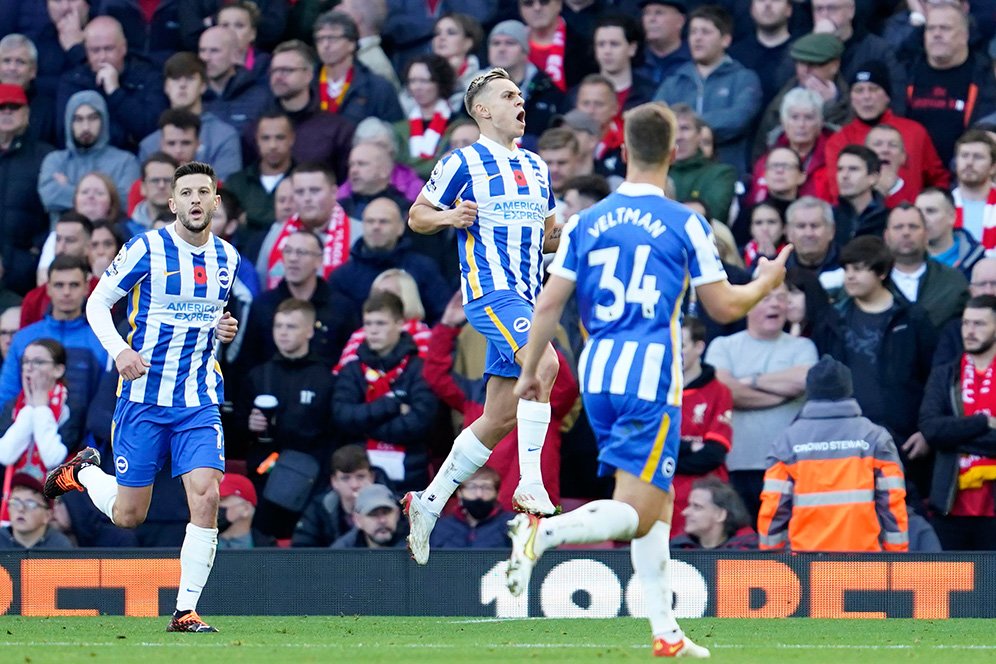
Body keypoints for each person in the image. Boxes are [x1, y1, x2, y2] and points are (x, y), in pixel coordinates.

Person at [506, 101, 793, 658]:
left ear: (622, 149)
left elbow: (547, 306)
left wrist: (528, 372)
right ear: (674, 152)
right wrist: (765, 282)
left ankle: (666, 632)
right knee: (638, 509)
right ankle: (544, 532)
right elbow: (724, 305)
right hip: (651, 374)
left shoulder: (586, 222)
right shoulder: (684, 220)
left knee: (656, 508)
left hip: (597, 372)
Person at [42, 161, 241, 633]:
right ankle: (83, 472)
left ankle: (185, 611)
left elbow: (203, 320)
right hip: (143, 398)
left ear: (216, 201)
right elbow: (95, 303)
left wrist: (220, 330)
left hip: (197, 397)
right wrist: (120, 350)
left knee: (207, 495)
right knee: (130, 515)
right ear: (172, 203)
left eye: (203, 192)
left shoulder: (228, 259)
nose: (195, 200)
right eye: (186, 193)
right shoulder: (147, 248)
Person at [401, 67, 564, 566]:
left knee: (496, 418)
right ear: (483, 110)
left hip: (527, 295)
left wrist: (575, 235)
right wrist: (451, 217)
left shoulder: (537, 167)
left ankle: (427, 503)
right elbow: (417, 215)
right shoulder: (463, 162)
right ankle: (530, 486)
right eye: (508, 95)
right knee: (546, 366)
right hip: (490, 293)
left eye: (520, 94)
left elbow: (549, 235)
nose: (520, 101)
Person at [757, 356, 909, 552]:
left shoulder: (787, 442)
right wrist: (896, 556)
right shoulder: (874, 437)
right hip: (864, 563)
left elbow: (774, 508)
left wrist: (771, 557)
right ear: (848, 390)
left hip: (806, 564)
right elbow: (892, 502)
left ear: (810, 392)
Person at [332, 292, 438, 493]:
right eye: (368, 324)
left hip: (411, 477)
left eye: (380, 323)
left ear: (400, 324)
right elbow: (342, 417)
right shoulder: (352, 369)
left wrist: (365, 425)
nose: (372, 331)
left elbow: (420, 423)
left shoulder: (420, 369)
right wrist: (392, 404)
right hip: (359, 474)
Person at [920, 295, 996, 550]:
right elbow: (931, 429)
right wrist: (983, 422)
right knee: (953, 587)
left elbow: (944, 433)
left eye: (979, 324)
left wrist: (954, 435)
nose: (970, 332)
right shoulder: (945, 374)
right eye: (966, 324)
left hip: (992, 510)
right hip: (950, 505)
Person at [0, 339, 70, 501]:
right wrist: (31, 408)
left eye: (38, 362)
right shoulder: (14, 405)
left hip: (56, 498)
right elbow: (5, 455)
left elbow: (53, 458)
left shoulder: (71, 406)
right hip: (13, 495)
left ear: (58, 370)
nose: (30, 367)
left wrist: (41, 408)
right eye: (26, 361)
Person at [291, 444, 386, 548]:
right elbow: (301, 550)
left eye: (360, 476)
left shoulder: (392, 506)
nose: (354, 485)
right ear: (334, 481)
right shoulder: (319, 508)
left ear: (372, 477)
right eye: (345, 478)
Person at [430, 466, 516, 549]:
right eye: (472, 487)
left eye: (487, 488)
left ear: (497, 494)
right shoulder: (441, 527)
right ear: (459, 493)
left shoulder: (512, 524)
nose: (479, 494)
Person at [671, 476, 757, 550]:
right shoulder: (677, 548)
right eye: (689, 505)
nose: (684, 512)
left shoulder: (748, 551)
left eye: (697, 507)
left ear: (720, 515)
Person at [0, 473, 73, 549]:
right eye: (15, 502)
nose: (20, 509)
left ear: (47, 516)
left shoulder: (60, 547)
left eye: (30, 504)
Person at [331, 483, 406, 549]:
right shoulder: (342, 552)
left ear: (397, 514)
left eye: (386, 512)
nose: (382, 520)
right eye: (373, 514)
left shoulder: (414, 547)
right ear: (357, 520)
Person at [217, 473, 275, 549]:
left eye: (221, 500)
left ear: (246, 509)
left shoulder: (269, 549)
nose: (214, 506)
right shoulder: (199, 545)